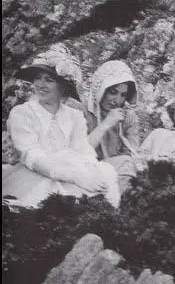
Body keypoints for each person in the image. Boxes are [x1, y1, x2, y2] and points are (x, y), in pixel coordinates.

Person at [2, 44, 120, 208]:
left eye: (49, 80)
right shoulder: (22, 113)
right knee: (56, 196)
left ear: (63, 87)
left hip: (70, 169)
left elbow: (83, 151)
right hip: (34, 174)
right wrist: (76, 176)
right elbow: (33, 157)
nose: (41, 84)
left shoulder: (74, 115)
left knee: (106, 173)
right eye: (37, 78)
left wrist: (88, 173)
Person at [85, 60, 140, 193]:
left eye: (123, 95)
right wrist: (107, 123)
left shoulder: (128, 117)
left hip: (114, 173)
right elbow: (80, 151)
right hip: (83, 169)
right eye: (113, 92)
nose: (117, 100)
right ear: (101, 90)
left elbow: (130, 156)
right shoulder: (82, 110)